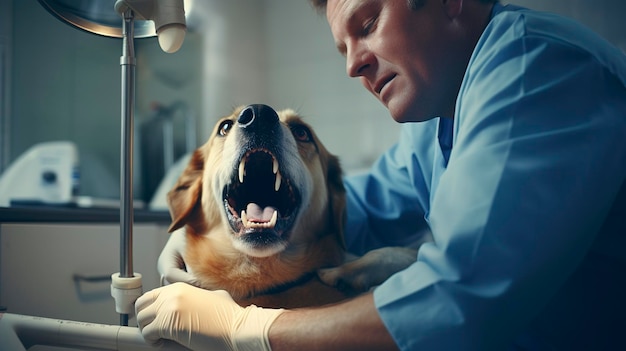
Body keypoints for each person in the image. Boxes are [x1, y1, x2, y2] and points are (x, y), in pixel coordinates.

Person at [134, 0, 626, 350]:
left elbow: (459, 301)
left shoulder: (534, 71)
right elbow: (359, 204)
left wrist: (247, 330)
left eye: (367, 24)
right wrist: (198, 224)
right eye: (343, 46)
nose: (353, 64)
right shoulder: (438, 119)